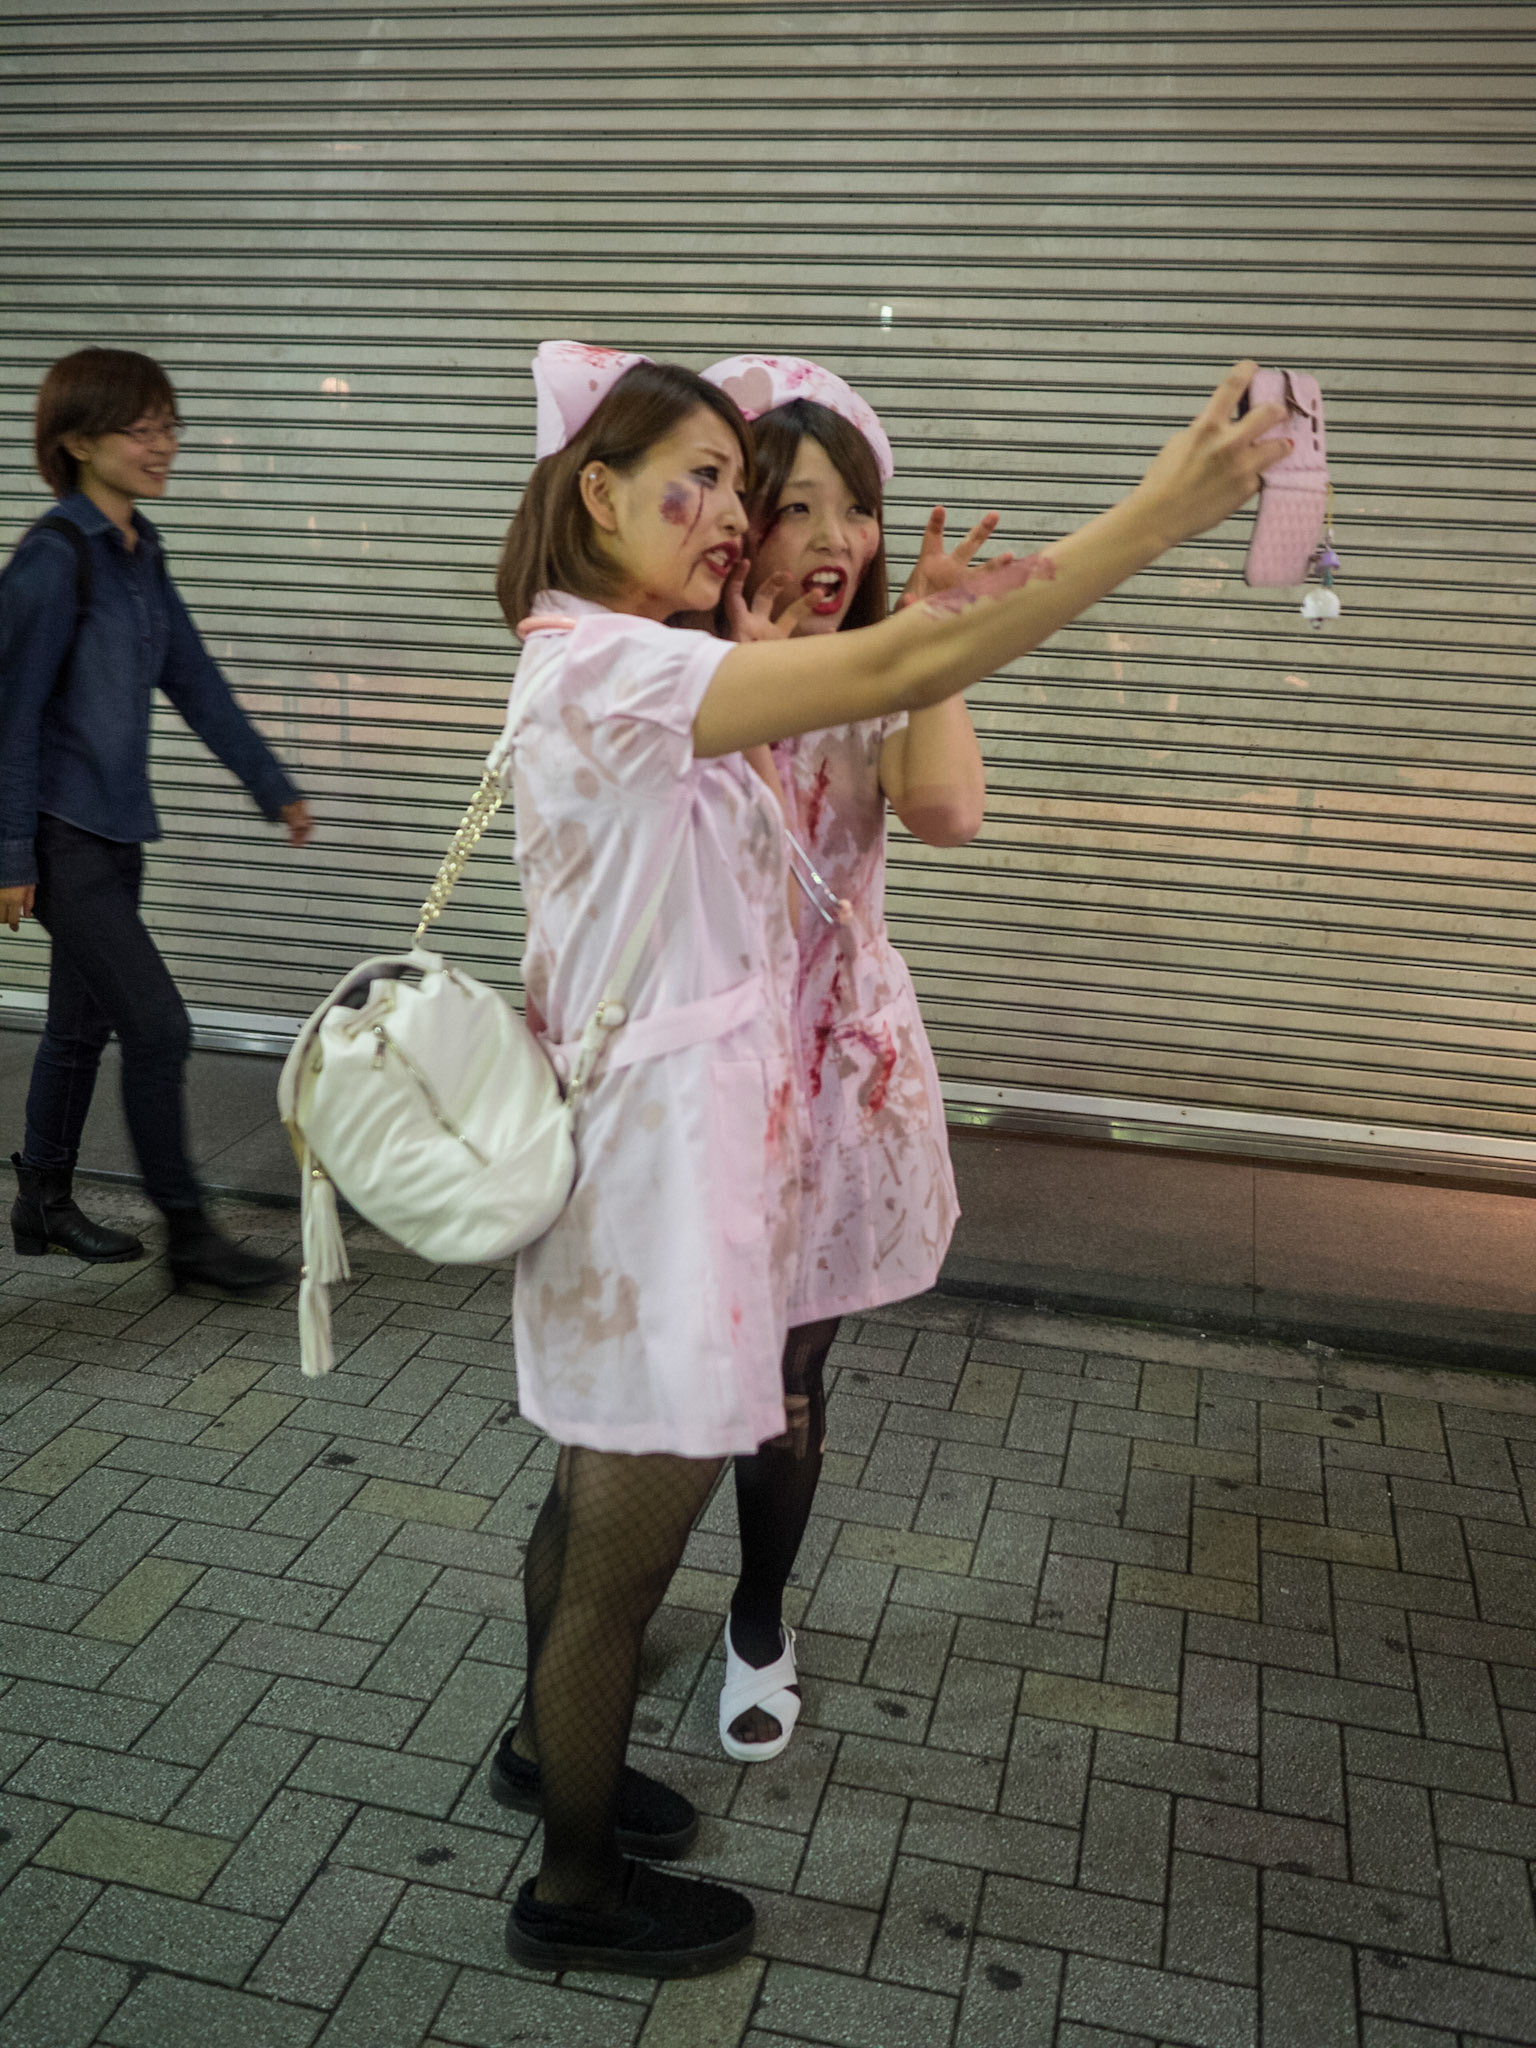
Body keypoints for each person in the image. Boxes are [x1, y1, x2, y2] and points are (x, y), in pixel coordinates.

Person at [484, 341, 1288, 1979]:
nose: (735, 518)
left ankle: (548, 1758)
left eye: (743, 486)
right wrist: (1159, 511)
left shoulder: (627, 654)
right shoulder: (614, 669)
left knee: (592, 1502)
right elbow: (897, 667)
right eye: (702, 484)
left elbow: (880, 762)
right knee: (624, 1549)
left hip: (660, 1155)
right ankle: (572, 1890)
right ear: (594, 493)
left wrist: (858, 649)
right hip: (660, 1179)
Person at [701, 354, 999, 1762]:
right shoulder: (677, 680)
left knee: (786, 1375)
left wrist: (932, 641)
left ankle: (758, 1618)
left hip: (830, 1077)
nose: (837, 541)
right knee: (675, 1376)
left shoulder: (881, 681)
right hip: (702, 1073)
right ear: (734, 523)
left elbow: (947, 812)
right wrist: (753, 689)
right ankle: (598, 1619)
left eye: (857, 509)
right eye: (799, 507)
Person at [0, 347, 313, 1289]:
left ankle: (42, 1201)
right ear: (78, 442)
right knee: (160, 1027)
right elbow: (9, 714)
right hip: (60, 834)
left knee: (79, 1027)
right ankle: (191, 1240)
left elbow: (195, 680)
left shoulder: (140, 553)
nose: (163, 445)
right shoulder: (53, 561)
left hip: (116, 830)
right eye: (142, 429)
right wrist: (11, 853)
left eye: (170, 426)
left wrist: (271, 784)